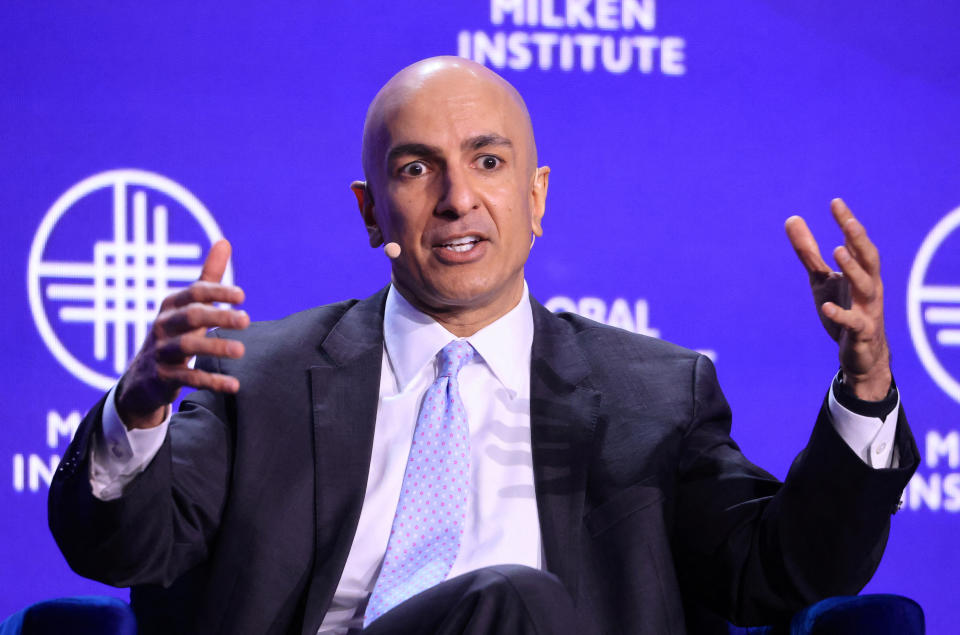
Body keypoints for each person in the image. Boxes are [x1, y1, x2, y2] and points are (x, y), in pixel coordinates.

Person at [49, 56, 917, 635]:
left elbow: (784, 569)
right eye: (417, 167)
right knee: (515, 602)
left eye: (490, 162)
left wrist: (866, 384)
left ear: (537, 199)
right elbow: (125, 548)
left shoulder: (655, 393)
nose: (459, 197)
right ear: (369, 211)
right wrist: (138, 408)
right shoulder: (265, 380)